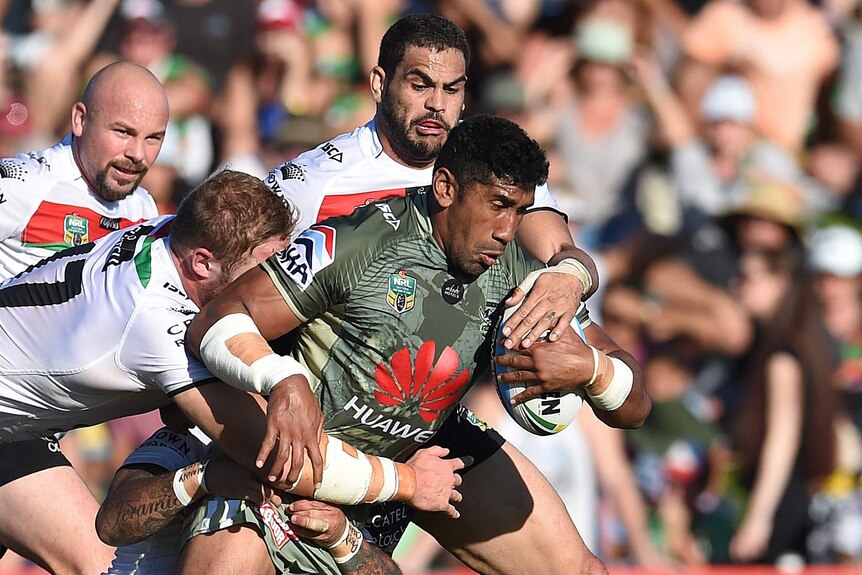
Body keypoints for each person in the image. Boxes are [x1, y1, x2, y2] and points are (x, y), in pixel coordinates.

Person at [186, 115, 651, 575]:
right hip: (309, 461)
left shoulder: (522, 272)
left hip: (430, 449)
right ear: (446, 188)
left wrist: (593, 370)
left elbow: (636, 408)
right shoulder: (362, 240)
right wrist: (282, 379)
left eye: (521, 211)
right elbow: (214, 321)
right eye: (497, 205)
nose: (508, 230)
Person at [0, 169, 463, 574]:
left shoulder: (172, 238)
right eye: (264, 267)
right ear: (202, 262)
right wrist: (411, 483)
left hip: (17, 429)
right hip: (11, 427)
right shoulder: (160, 327)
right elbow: (279, 457)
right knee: (97, 564)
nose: (274, 286)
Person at [265, 14, 598, 350]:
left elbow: (562, 253)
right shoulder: (312, 184)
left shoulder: (491, 163)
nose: (437, 105)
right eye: (420, 85)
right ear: (379, 84)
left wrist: (570, 277)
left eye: (451, 89)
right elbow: (229, 304)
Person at [97, 404, 405, 575]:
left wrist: (340, 537)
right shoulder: (196, 434)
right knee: (234, 511)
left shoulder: (339, 467)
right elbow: (111, 524)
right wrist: (204, 478)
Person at [0, 60, 167, 281]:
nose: (138, 153)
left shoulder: (143, 209)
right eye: (123, 132)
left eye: (153, 138)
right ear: (80, 120)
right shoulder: (22, 184)